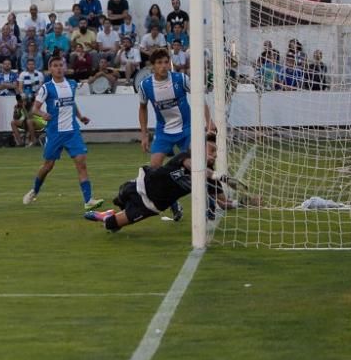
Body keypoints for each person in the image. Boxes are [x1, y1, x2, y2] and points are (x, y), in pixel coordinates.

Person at [85, 139, 259, 231]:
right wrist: (223, 177)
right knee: (120, 199)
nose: (214, 155)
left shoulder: (211, 179)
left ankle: (106, 216)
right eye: (211, 150)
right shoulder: (186, 157)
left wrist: (244, 202)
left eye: (216, 153)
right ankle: (112, 212)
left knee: (111, 226)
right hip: (140, 184)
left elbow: (222, 203)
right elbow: (195, 168)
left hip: (150, 205)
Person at [22, 55, 101, 211]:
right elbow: (34, 109)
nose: (59, 68)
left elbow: (71, 103)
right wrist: (43, 114)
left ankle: (88, 200)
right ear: (50, 69)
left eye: (61, 65)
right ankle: (35, 190)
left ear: (64, 67)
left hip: (72, 131)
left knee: (81, 163)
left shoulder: (71, 84)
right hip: (55, 133)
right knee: (48, 166)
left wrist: (80, 117)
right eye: (55, 65)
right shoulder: (47, 88)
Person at [139, 48, 212, 168]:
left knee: (199, 161)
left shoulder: (181, 79)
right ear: (152, 66)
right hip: (163, 131)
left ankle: (210, 182)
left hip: (187, 129)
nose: (163, 66)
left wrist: (209, 122)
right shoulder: (145, 85)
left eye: (166, 62)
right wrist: (144, 134)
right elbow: (142, 108)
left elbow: (198, 97)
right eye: (159, 63)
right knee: (154, 168)